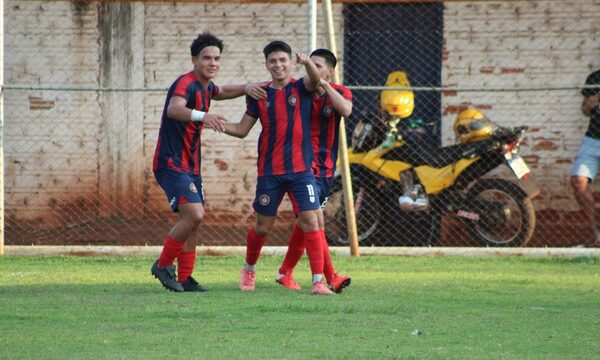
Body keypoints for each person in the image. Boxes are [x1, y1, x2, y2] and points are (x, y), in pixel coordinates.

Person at [150, 32, 266, 292]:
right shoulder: (186, 83)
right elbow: (174, 109)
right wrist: (204, 115)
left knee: (193, 221)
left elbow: (223, 91)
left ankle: (185, 277)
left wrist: (248, 87)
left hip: (191, 167)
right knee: (195, 214)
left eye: (216, 59)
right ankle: (163, 264)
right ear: (194, 59)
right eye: (206, 58)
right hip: (171, 163)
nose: (212, 63)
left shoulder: (206, 87)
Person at [222, 40, 334, 295]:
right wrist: (212, 122)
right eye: (273, 61)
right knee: (262, 227)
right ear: (267, 65)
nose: (278, 65)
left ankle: (318, 282)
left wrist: (307, 63)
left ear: (291, 62)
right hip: (270, 172)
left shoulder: (302, 87)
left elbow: (316, 81)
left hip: (301, 171)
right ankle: (249, 270)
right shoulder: (260, 95)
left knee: (311, 221)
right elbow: (241, 130)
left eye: (283, 60)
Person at [275, 49, 353, 293]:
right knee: (314, 219)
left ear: (329, 71)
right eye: (311, 65)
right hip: (302, 169)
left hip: (326, 170)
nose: (313, 70)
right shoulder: (300, 91)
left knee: (306, 223)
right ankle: (329, 276)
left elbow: (346, 110)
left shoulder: (340, 92)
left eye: (319, 66)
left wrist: (325, 86)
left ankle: (285, 272)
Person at [571, 68, 600, 247]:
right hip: (593, 140)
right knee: (578, 180)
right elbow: (584, 109)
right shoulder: (595, 78)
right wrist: (592, 103)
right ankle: (595, 232)